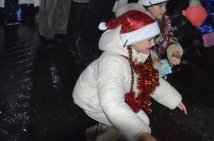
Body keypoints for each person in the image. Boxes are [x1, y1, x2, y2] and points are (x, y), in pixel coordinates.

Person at [73, 10, 187, 141]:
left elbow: (150, 80)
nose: (153, 43)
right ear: (133, 39)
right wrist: (141, 135)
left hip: (114, 92)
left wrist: (172, 98)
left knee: (140, 122)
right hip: (93, 99)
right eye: (149, 39)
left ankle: (99, 131)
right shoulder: (112, 62)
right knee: (136, 124)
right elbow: (111, 102)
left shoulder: (139, 53)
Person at [115, 0, 184, 78]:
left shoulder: (161, 20)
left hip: (154, 65)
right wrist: (151, 59)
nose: (164, 9)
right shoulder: (135, 23)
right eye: (160, 6)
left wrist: (174, 51)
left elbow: (168, 37)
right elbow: (131, 50)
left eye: (165, 5)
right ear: (149, 6)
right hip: (131, 69)